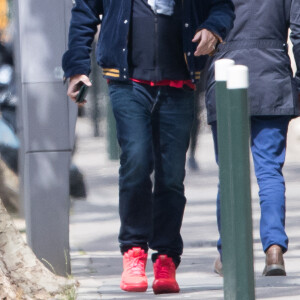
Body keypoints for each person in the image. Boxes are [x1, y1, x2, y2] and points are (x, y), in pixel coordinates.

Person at [62, 0, 234, 294]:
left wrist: (213, 28)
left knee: (171, 176)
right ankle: (134, 252)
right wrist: (77, 67)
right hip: (127, 83)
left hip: (178, 83)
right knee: (136, 163)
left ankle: (166, 257)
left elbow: (222, 6)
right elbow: (85, 12)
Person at [205, 0, 300, 276]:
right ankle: (273, 249)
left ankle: (230, 251)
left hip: (224, 77)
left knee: (230, 172)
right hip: (272, 79)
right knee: (269, 170)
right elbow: (298, 31)